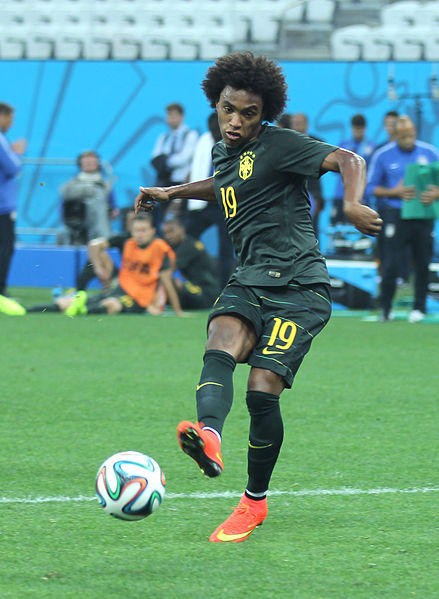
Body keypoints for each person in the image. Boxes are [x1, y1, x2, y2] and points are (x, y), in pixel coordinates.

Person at [135, 52, 381, 543]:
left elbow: (347, 158)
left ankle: (253, 503)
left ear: (263, 113)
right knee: (219, 339)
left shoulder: (280, 144)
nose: (236, 120)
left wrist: (351, 201)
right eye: (229, 109)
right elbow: (225, 185)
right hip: (250, 277)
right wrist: (171, 192)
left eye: (248, 113)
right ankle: (209, 435)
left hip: (299, 286)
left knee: (261, 388)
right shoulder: (224, 151)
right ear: (217, 103)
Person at [21, 213, 185, 317]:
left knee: (112, 306)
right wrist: (99, 269)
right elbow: (93, 245)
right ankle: (25, 310)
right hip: (119, 288)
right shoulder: (126, 240)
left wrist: (176, 311)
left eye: (143, 230)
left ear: (152, 231)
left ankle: (81, 311)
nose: (139, 234)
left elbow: (166, 281)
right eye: (136, 230)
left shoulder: (161, 249)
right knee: (66, 302)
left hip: (139, 299)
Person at [366, 115, 439, 323]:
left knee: (423, 262)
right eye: (404, 135)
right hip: (395, 215)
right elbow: (370, 187)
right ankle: (386, 308)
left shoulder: (430, 152)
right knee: (390, 263)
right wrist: (394, 192)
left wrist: (435, 193)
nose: (408, 138)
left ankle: (419, 308)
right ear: (395, 134)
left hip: (423, 215)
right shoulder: (383, 155)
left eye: (411, 134)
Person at [185, 111, 235, 288]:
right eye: (211, 127)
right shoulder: (204, 141)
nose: (213, 130)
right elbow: (195, 167)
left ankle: (223, 290)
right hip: (203, 202)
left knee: (226, 250)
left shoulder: (236, 141)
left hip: (226, 204)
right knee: (186, 238)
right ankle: (190, 282)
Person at [150, 103, 198, 230]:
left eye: (174, 115)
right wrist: (165, 161)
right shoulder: (164, 137)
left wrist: (165, 161)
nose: (171, 119)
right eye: (169, 115)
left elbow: (183, 158)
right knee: (161, 214)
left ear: (182, 116)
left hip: (181, 183)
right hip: (164, 182)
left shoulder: (190, 135)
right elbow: (155, 157)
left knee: (179, 217)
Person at [60, 150, 118, 245]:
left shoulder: (105, 186)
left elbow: (113, 206)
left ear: (97, 164)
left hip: (99, 225)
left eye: (92, 162)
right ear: (80, 164)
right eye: (86, 162)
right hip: (75, 224)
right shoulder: (70, 186)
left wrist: (113, 212)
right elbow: (63, 206)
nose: (89, 164)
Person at [162, 217, 220, 309]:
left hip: (206, 293)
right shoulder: (181, 244)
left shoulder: (189, 246)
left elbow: (167, 270)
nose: (168, 236)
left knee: (173, 281)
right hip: (194, 287)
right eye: (165, 233)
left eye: (171, 231)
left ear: (182, 229)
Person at [0, 102, 27, 302]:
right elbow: (13, 167)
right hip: (2, 206)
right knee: (5, 247)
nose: (10, 124)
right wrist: (16, 151)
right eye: (10, 119)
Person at [75, 207, 135, 292]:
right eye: (128, 220)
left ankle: (108, 290)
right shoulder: (123, 238)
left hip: (139, 277)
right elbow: (93, 245)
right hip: (124, 276)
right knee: (100, 255)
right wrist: (98, 269)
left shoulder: (154, 243)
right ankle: (80, 292)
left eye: (133, 220)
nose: (130, 224)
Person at [331, 114, 376, 225]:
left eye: (360, 129)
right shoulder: (343, 146)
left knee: (360, 231)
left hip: (361, 196)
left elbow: (372, 172)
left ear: (365, 129)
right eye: (355, 129)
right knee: (337, 230)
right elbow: (332, 167)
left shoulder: (371, 147)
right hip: (341, 194)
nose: (357, 132)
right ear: (351, 128)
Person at [290, 112, 326, 235]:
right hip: (291, 194)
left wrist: (317, 198)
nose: (297, 127)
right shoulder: (285, 145)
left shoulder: (319, 144)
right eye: (295, 124)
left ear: (307, 124)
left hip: (313, 195)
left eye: (300, 124)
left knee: (312, 230)